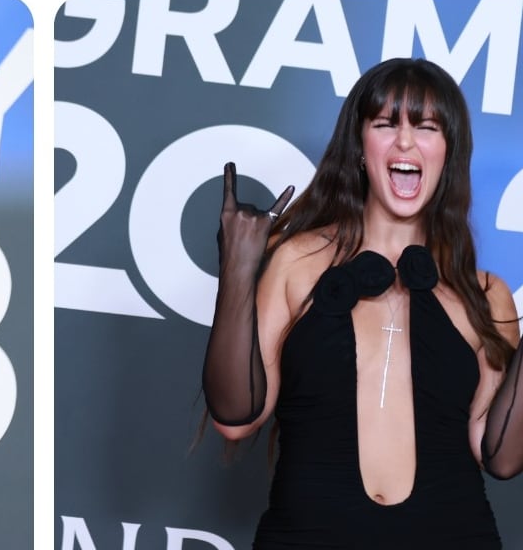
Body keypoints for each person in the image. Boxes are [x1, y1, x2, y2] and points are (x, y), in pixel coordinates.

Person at [204, 58, 520, 547]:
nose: (406, 142)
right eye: (386, 124)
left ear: (448, 153)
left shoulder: (484, 294)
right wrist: (238, 270)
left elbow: (499, 456)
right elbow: (235, 419)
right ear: (359, 147)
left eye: (427, 127)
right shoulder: (297, 263)